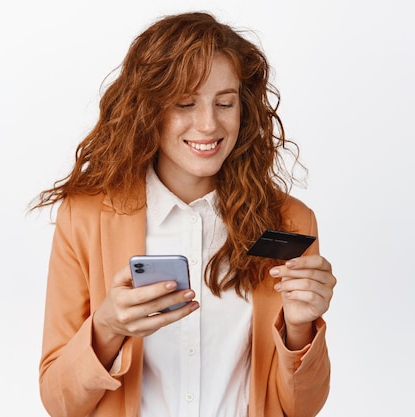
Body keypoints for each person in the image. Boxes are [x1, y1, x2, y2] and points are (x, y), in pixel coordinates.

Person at [32, 11, 336, 417]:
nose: (208, 124)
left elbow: (300, 409)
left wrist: (299, 330)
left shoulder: (290, 222)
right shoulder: (84, 218)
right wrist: (107, 328)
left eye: (224, 103)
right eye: (185, 103)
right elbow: (59, 402)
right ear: (149, 109)